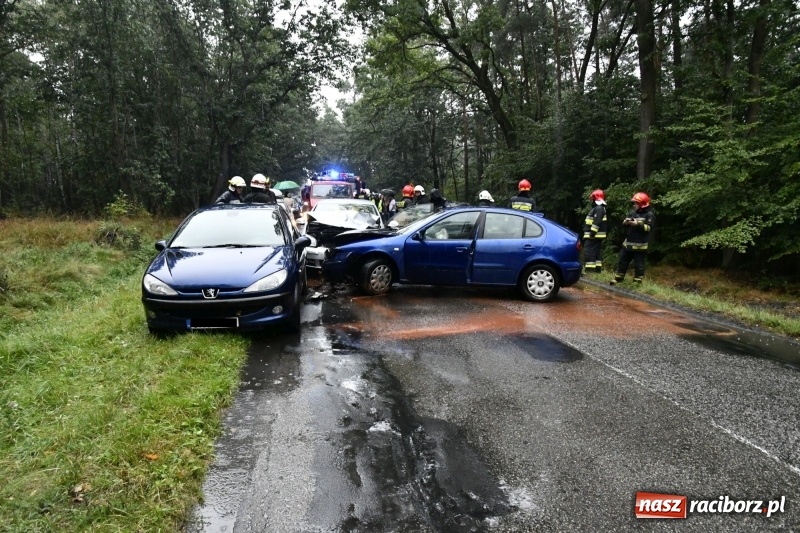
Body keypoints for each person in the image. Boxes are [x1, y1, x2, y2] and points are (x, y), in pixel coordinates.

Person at [610, 192, 655, 285]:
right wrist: (626, 223)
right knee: (622, 262)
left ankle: (637, 283)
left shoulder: (649, 215)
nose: (634, 205)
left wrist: (638, 224)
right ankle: (618, 279)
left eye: (636, 203)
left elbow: (649, 228)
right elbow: (626, 225)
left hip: (640, 246)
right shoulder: (632, 213)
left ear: (642, 204)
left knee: (639, 265)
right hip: (628, 244)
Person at [582, 189, 608, 273]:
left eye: (592, 199)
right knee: (596, 252)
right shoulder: (598, 208)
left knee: (589, 251)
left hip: (594, 235)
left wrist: (592, 233)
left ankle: (590, 270)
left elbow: (597, 222)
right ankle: (597, 270)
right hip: (595, 236)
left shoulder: (599, 208)